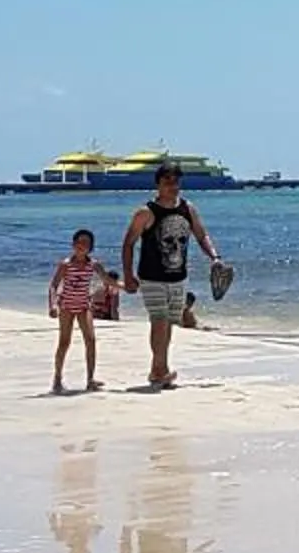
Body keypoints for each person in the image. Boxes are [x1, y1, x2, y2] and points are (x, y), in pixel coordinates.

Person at [119, 164, 221, 390]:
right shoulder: (146, 212)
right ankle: (160, 370)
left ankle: (158, 370)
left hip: (178, 277)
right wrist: (128, 275)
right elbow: (128, 244)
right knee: (159, 321)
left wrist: (214, 257)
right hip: (151, 277)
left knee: (169, 324)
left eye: (176, 182)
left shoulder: (187, 208)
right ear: (158, 184)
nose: (172, 186)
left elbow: (201, 235)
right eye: (167, 182)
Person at [48, 228, 106, 395]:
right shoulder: (66, 264)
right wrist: (53, 305)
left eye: (86, 243)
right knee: (64, 342)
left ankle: (90, 379)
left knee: (91, 340)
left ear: (91, 247)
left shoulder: (93, 264)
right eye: (79, 242)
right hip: (66, 306)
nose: (82, 245)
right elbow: (53, 285)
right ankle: (57, 378)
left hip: (83, 306)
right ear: (73, 244)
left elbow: (107, 279)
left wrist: (125, 286)